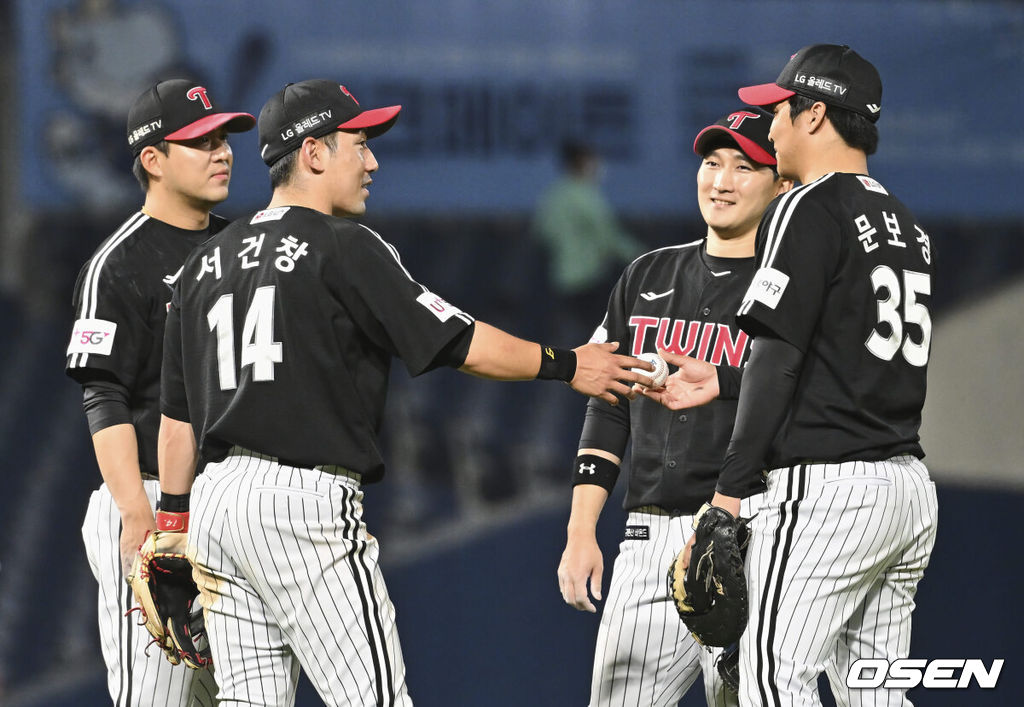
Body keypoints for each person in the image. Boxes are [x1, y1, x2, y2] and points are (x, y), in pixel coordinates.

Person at [155, 79, 654, 706]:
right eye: (359, 145)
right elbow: (459, 342)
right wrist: (565, 363)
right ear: (313, 153)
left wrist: (171, 526)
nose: (373, 162)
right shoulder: (341, 245)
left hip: (216, 503)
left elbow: (176, 420)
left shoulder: (203, 262)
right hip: (300, 503)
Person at [646, 45, 938, 706]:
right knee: (877, 693)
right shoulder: (908, 227)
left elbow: (778, 357)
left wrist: (727, 496)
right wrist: (725, 380)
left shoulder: (807, 207)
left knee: (769, 679)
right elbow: (836, 360)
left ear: (814, 115)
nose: (769, 128)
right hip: (906, 490)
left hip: (828, 492)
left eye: (777, 112)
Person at [556, 109, 791, 706]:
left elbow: (812, 398)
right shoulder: (646, 274)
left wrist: (732, 380)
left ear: (780, 183)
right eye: (712, 163)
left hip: (755, 535)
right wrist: (582, 528)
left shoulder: (796, 284)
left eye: (745, 167)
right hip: (650, 540)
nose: (722, 181)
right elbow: (609, 404)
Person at [64, 79, 255, 706]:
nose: (222, 151)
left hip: (231, 502)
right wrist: (135, 516)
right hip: (149, 497)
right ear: (153, 159)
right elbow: (104, 394)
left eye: (224, 139)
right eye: (201, 141)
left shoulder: (245, 248)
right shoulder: (117, 264)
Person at [532, 139, 642, 342]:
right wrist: (642, 256)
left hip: (560, 279)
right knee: (601, 337)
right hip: (590, 279)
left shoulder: (553, 195)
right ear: (583, 162)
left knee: (573, 335)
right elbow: (609, 237)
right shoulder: (587, 196)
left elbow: (542, 234)